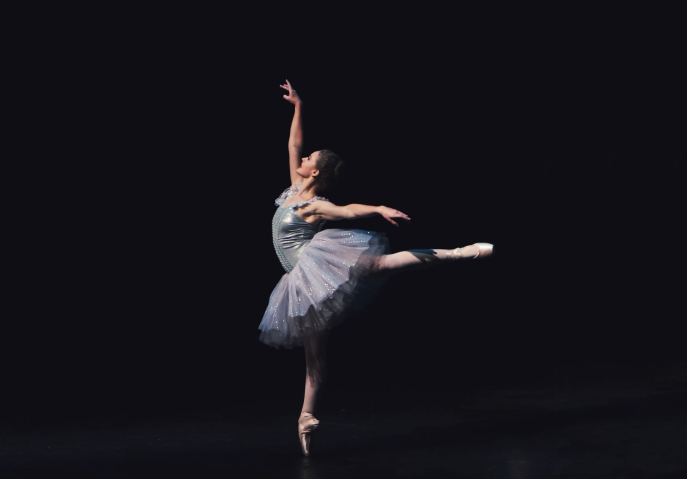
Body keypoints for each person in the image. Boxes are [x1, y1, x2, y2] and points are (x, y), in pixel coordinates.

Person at [258, 80, 493, 456]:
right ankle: (306, 417)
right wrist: (298, 106)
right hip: (299, 281)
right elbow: (293, 145)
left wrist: (378, 208)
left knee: (383, 263)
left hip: (316, 267)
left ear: (315, 174)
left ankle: (459, 253)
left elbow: (346, 211)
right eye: (304, 160)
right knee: (315, 353)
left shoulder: (313, 204)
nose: (302, 161)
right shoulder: (292, 190)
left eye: (308, 161)